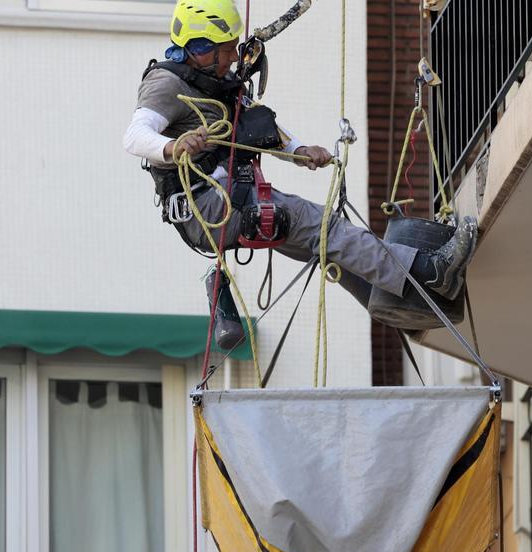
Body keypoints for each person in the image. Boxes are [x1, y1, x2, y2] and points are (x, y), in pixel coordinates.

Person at [122, 0, 476, 318]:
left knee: (321, 244)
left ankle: (392, 302)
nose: (233, 58)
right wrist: (173, 148)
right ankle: (431, 271)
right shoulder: (166, 83)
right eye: (227, 50)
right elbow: (135, 136)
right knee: (323, 226)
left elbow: (254, 123)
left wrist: (298, 151)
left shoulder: (216, 82)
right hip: (210, 207)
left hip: (226, 201)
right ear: (200, 48)